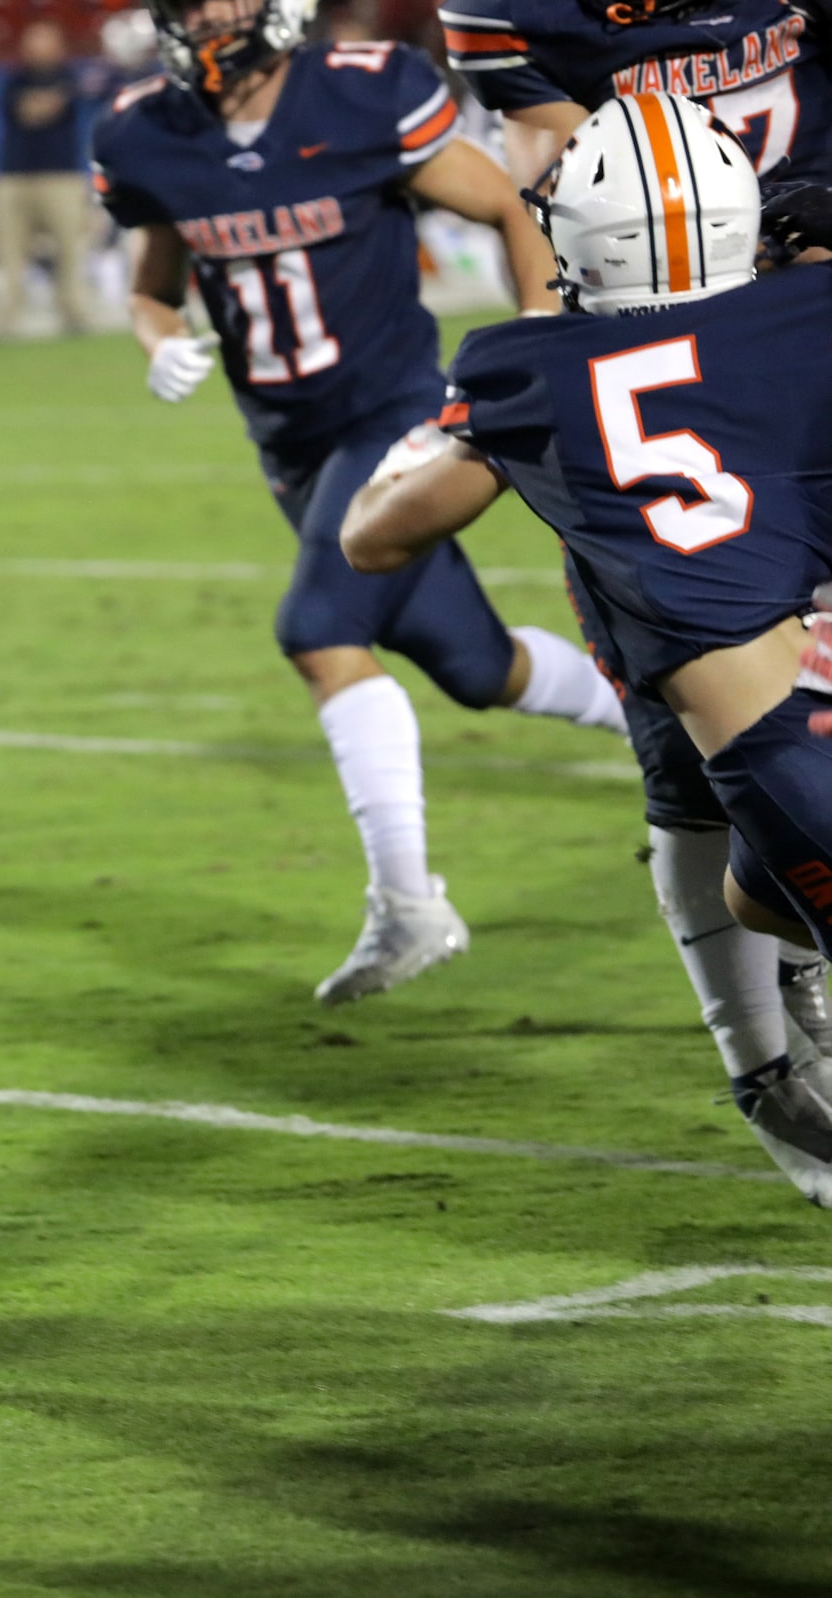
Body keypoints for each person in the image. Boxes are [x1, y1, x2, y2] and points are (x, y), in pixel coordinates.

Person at [90, 0, 630, 1005]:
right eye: (191, 0)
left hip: (395, 415)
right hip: (288, 447)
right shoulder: (148, 133)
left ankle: (408, 906)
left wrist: (535, 348)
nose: (213, 18)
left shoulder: (365, 91)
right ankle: (678, 723)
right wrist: (156, 336)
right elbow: (155, 280)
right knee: (479, 670)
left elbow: (512, 208)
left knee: (318, 630)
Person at [339, 93, 832, 1199]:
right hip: (801, 708)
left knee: (751, 887)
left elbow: (372, 541)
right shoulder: (811, 313)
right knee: (759, 895)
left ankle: (766, 1069)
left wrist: (431, 444)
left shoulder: (532, 372)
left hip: (765, 757)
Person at [440, 0, 832, 1058]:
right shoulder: (515, 10)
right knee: (694, 744)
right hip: (671, 362)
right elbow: (552, 193)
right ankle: (760, 1046)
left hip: (811, 326)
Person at [0, 21, 96, 340]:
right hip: (14, 177)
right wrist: (45, 105)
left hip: (61, 176)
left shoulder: (70, 76)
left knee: (71, 249)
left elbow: (56, 107)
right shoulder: (14, 79)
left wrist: (42, 106)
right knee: (9, 252)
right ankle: (5, 319)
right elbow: (25, 111)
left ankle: (74, 312)